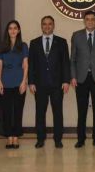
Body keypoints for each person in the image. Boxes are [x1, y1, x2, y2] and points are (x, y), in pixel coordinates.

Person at [29, 16, 70, 148]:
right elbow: (31, 64)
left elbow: (65, 62)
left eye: (49, 24)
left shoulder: (62, 42)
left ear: (53, 25)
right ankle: (40, 139)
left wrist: (66, 81)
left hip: (57, 84)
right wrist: (31, 82)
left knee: (57, 112)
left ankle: (58, 139)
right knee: (40, 112)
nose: (47, 26)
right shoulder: (34, 43)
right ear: (41, 26)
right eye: (44, 24)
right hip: (39, 84)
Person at [71, 11, 95, 148]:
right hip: (81, 78)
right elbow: (73, 59)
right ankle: (80, 139)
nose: (90, 21)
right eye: (87, 19)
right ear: (84, 21)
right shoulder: (76, 36)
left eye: (93, 19)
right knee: (81, 110)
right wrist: (73, 76)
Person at [0, 20, 28, 149]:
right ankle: (9, 136)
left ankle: (16, 137)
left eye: (15, 28)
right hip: (5, 81)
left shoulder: (23, 46)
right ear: (7, 31)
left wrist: (24, 81)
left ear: (19, 30)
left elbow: (25, 64)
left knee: (18, 110)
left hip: (19, 81)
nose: (13, 30)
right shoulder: (2, 46)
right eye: (10, 28)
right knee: (7, 111)